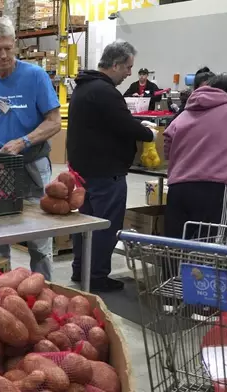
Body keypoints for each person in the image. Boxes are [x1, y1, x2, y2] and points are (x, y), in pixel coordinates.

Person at [0, 16, 61, 281]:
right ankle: (1, 292)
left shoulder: (36, 77)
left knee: (38, 239)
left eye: (8, 47)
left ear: (15, 45)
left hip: (32, 164)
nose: (4, 54)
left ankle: (44, 293)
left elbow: (54, 123)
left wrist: (24, 141)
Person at [67, 40, 157, 292]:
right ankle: (96, 277)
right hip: (106, 173)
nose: (130, 73)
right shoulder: (105, 92)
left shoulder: (84, 88)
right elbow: (124, 125)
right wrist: (150, 135)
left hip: (83, 171)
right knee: (106, 226)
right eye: (128, 67)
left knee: (84, 225)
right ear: (115, 64)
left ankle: (80, 270)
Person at [164, 75, 227, 243]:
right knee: (208, 247)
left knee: (173, 245)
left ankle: (171, 271)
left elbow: (167, 142)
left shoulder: (186, 111)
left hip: (178, 187)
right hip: (212, 189)